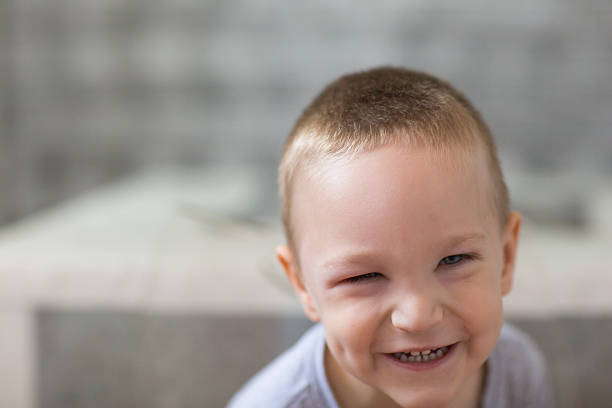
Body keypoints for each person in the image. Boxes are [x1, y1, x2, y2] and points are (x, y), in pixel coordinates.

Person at [227, 67, 555, 408]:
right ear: (302, 285)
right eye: (364, 276)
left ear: (507, 256)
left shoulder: (518, 374)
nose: (417, 316)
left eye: (453, 260)